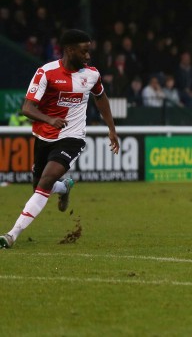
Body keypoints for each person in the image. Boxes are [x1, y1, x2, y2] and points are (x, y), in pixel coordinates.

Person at [1, 29, 119, 249]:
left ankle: (11, 234)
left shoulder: (92, 75)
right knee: (39, 185)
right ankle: (64, 188)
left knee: (45, 181)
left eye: (89, 51)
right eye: (83, 52)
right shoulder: (46, 73)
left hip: (72, 138)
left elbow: (100, 97)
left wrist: (111, 128)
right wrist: (49, 119)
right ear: (69, 50)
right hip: (44, 136)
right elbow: (27, 108)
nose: (88, 56)